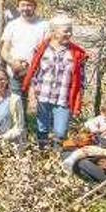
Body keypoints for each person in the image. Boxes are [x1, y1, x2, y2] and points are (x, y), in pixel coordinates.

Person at [22, 14, 88, 147]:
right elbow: (33, 73)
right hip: (43, 95)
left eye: (70, 30)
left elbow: (80, 79)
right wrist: (31, 93)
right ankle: (43, 156)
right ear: (54, 32)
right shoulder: (41, 49)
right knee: (42, 129)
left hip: (63, 97)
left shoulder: (76, 53)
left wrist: (78, 98)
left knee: (60, 132)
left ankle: (57, 157)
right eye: (65, 31)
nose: (69, 34)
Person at [0, 0, 49, 97]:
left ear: (34, 6)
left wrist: (33, 66)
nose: (26, 8)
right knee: (16, 106)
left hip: (38, 74)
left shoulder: (44, 25)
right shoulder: (12, 25)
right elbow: (4, 50)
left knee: (37, 106)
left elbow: (48, 51)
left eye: (29, 5)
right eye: (23, 5)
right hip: (16, 73)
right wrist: (13, 62)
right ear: (18, 7)